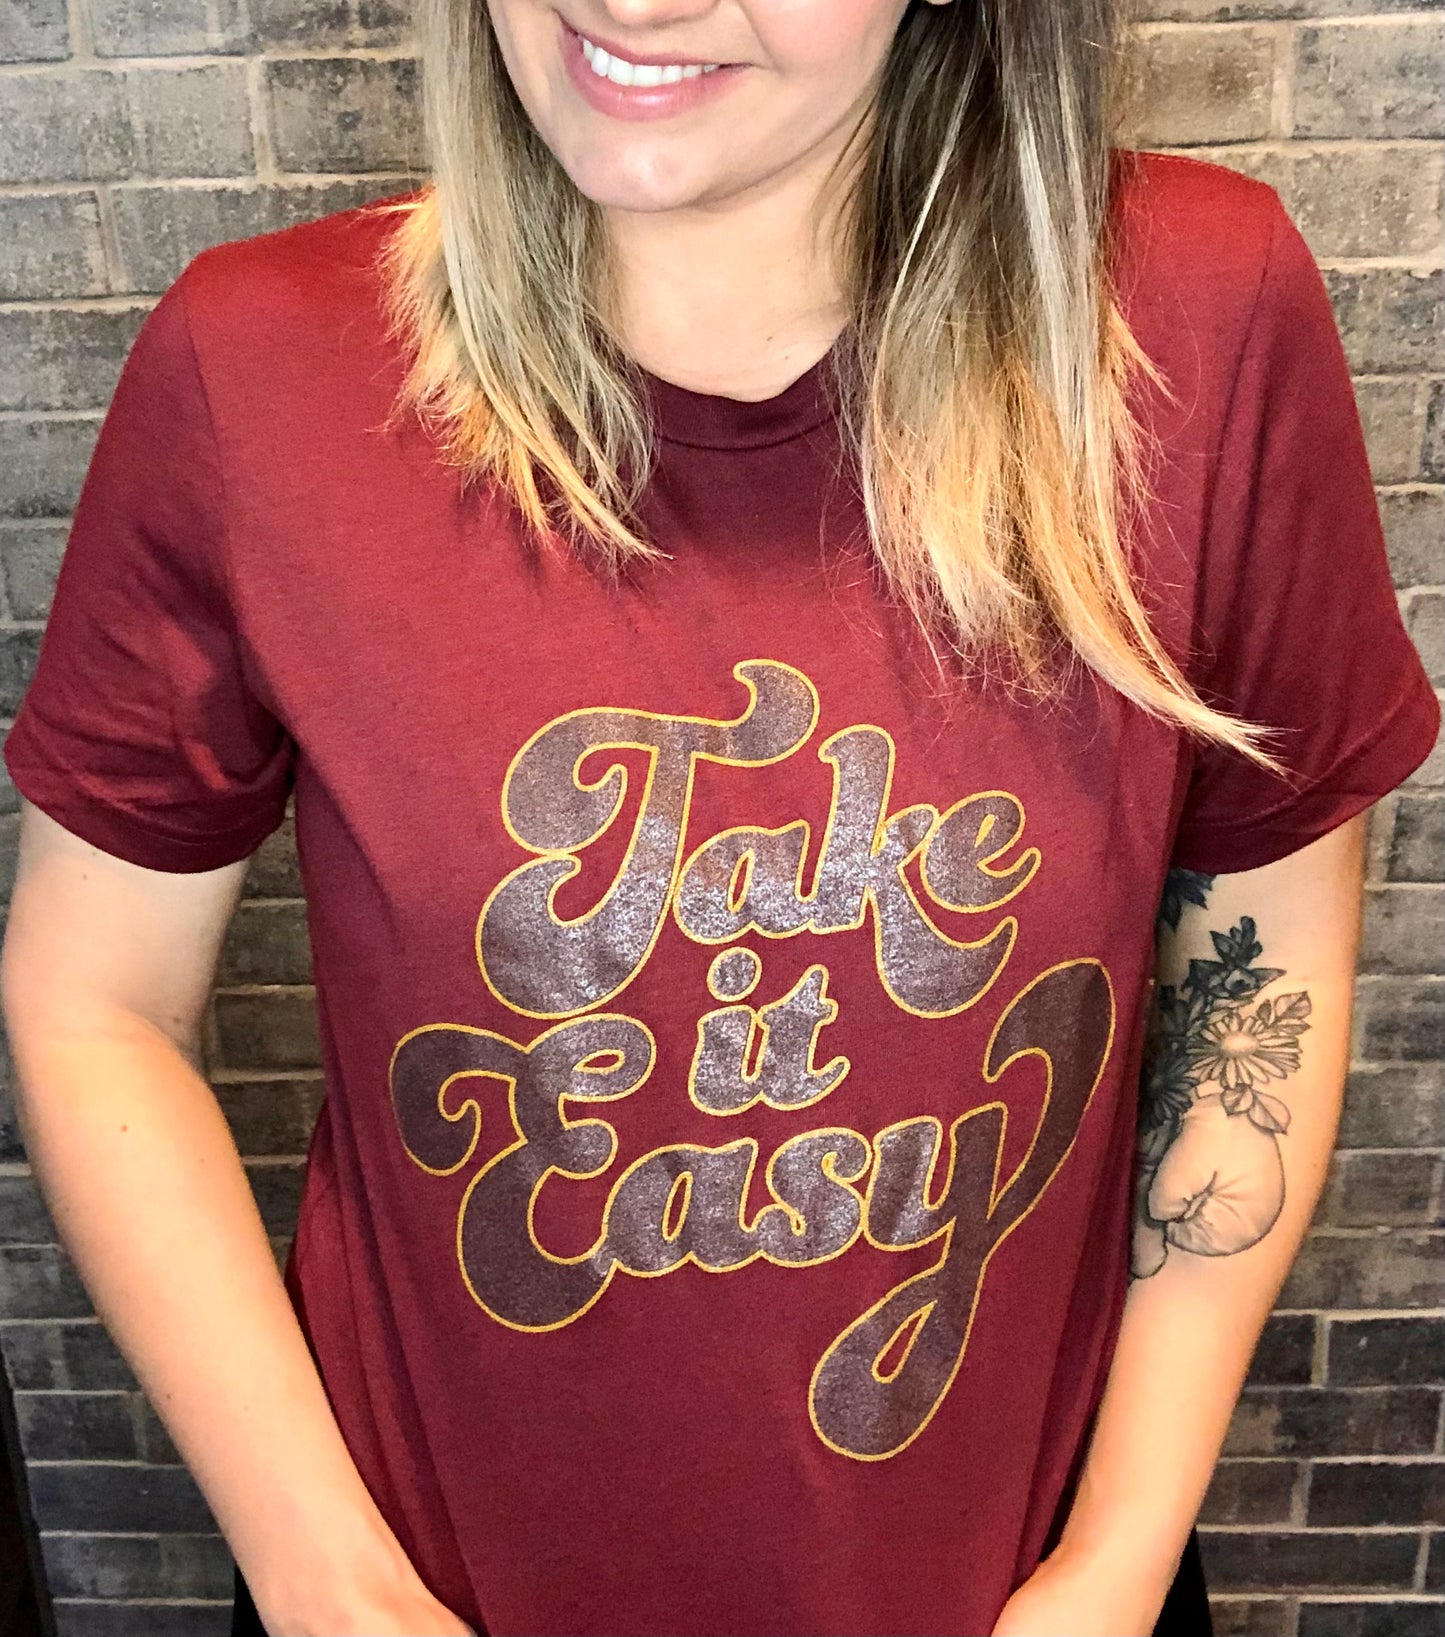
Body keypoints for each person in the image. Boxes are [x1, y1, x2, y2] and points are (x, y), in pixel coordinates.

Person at [1, 1, 1437, 1633]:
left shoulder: (1194, 321)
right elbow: (97, 997)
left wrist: (1110, 1567)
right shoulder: (258, 370)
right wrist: (320, 1573)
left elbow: (1260, 961)